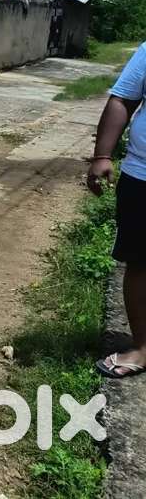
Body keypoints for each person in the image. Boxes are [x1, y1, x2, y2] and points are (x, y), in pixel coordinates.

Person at [92, 42, 146, 378]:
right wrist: (101, 156)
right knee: (142, 262)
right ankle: (142, 347)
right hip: (144, 175)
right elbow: (123, 99)